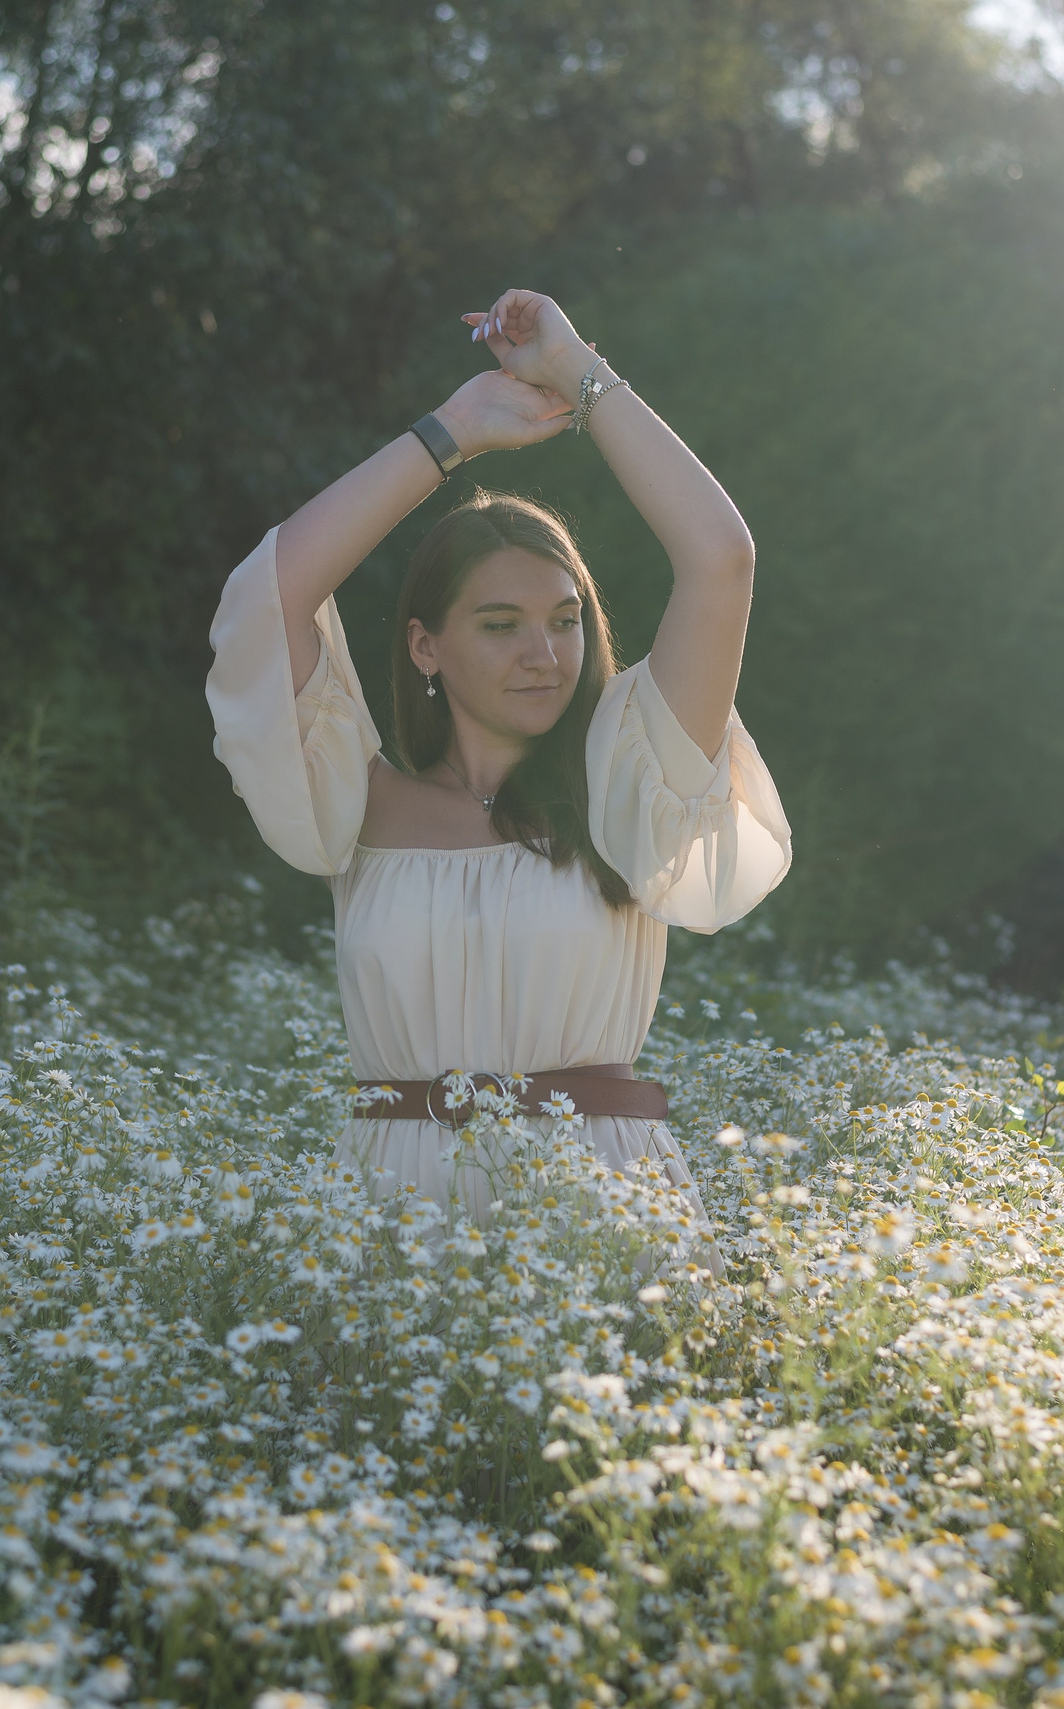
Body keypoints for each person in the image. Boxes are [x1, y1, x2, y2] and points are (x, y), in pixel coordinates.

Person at [205, 287, 791, 1223]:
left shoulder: (626, 787)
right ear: (425, 647)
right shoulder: (358, 805)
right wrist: (454, 431)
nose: (545, 653)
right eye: (500, 624)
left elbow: (722, 557)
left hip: (597, 1218)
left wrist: (579, 376)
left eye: (566, 621)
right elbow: (266, 595)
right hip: (394, 1216)